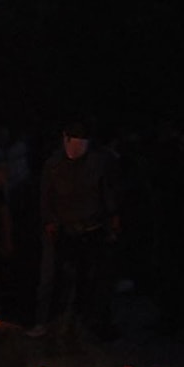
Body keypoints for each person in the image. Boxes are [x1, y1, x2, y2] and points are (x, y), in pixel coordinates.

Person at [26, 120, 121, 348]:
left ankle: (91, 326)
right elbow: (46, 197)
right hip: (62, 231)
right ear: (65, 138)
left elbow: (109, 194)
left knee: (93, 280)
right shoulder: (54, 165)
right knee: (52, 279)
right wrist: (50, 222)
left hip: (92, 229)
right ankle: (46, 323)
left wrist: (113, 222)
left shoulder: (100, 162)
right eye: (73, 139)